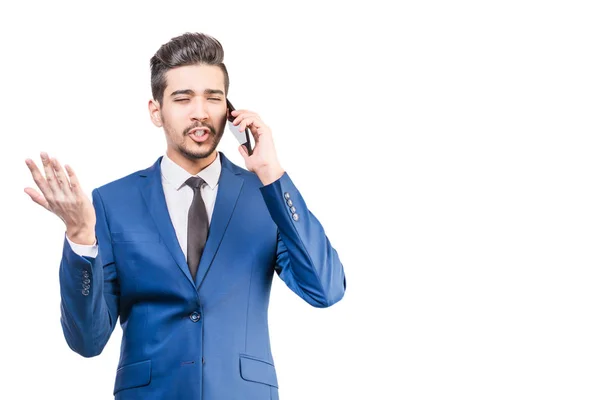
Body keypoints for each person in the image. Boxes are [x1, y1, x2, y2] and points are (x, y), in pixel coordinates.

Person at [24, 32, 346, 399]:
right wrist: (82, 235)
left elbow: (326, 289)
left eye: (214, 97)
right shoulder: (113, 202)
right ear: (156, 111)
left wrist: (272, 173)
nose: (201, 111)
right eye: (183, 98)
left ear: (230, 109)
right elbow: (88, 339)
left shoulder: (265, 196)